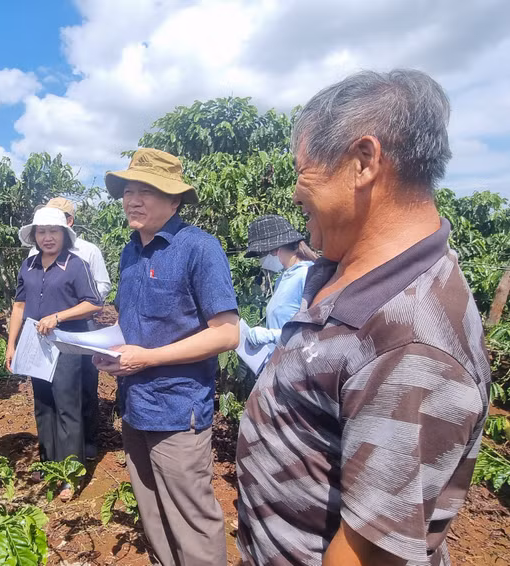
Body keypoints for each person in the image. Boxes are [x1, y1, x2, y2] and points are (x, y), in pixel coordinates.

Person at [236, 70, 491, 566]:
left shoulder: (411, 338)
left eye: (302, 169)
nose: (294, 191)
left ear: (363, 161)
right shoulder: (341, 269)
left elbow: (371, 551)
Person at [94, 148, 239, 566]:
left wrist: (149, 358)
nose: (132, 199)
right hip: (135, 404)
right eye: (128, 190)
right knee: (152, 511)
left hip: (177, 410)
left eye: (147, 191)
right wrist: (106, 350)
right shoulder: (130, 252)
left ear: (174, 201)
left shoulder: (199, 248)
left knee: (191, 518)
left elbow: (227, 333)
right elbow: (134, 324)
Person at [5, 207, 102, 501]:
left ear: (64, 235)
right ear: (34, 235)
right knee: (44, 404)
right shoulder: (29, 265)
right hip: (35, 345)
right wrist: (11, 344)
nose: (47, 237)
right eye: (42, 232)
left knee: (67, 406)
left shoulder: (75, 265)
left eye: (53, 232)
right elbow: (19, 306)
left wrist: (58, 316)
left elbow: (94, 303)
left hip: (65, 344)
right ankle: (49, 463)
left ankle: (71, 474)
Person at [32, 197, 111, 461]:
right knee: (49, 392)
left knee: (83, 385)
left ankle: (87, 440)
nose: (48, 235)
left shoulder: (87, 252)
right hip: (45, 330)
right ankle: (54, 453)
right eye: (42, 229)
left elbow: (101, 288)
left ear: (69, 222)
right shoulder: (34, 255)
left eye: (55, 225)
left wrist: (71, 306)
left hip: (80, 324)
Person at [243, 214, 317, 351]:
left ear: (276, 249)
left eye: (264, 253)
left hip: (298, 362)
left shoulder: (307, 274)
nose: (263, 259)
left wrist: (271, 336)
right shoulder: (281, 279)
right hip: (279, 362)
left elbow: (314, 329)